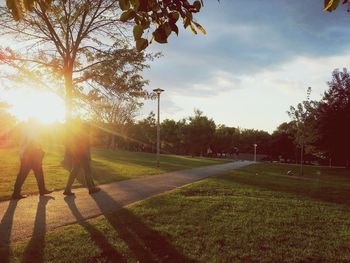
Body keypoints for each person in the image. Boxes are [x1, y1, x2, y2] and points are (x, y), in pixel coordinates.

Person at [12, 120, 53, 200]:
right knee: (23, 175)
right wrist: (39, 150)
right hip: (30, 155)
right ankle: (16, 193)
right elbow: (31, 142)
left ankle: (42, 190)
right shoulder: (29, 131)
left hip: (30, 154)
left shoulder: (27, 130)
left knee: (38, 173)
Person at [63, 120, 100, 196]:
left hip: (76, 155)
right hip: (83, 156)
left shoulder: (77, 134)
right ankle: (92, 189)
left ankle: (67, 189)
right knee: (87, 171)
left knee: (74, 172)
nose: (90, 129)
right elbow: (85, 147)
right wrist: (88, 157)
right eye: (90, 128)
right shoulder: (85, 135)